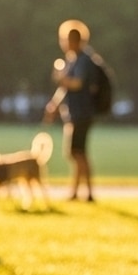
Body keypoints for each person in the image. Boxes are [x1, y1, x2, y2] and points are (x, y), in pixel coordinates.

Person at [44, 18, 98, 202]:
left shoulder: (83, 60)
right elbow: (65, 88)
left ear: (73, 41)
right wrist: (55, 104)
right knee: (76, 152)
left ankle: (88, 192)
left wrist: (61, 78)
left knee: (78, 152)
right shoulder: (73, 60)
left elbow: (76, 84)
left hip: (82, 113)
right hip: (75, 113)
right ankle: (76, 191)